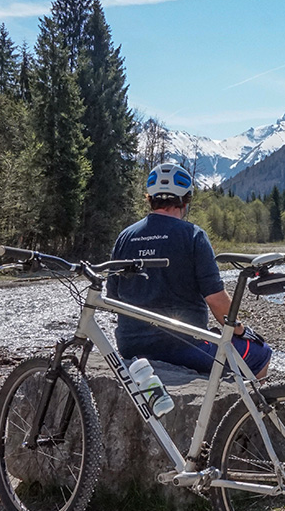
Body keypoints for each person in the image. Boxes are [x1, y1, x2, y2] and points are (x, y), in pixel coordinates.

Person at [107, 162, 271, 378]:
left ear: (150, 198)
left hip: (130, 347)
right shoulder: (193, 235)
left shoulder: (125, 237)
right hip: (183, 347)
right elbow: (216, 300)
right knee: (261, 353)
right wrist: (240, 331)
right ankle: (248, 411)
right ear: (185, 201)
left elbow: (112, 297)